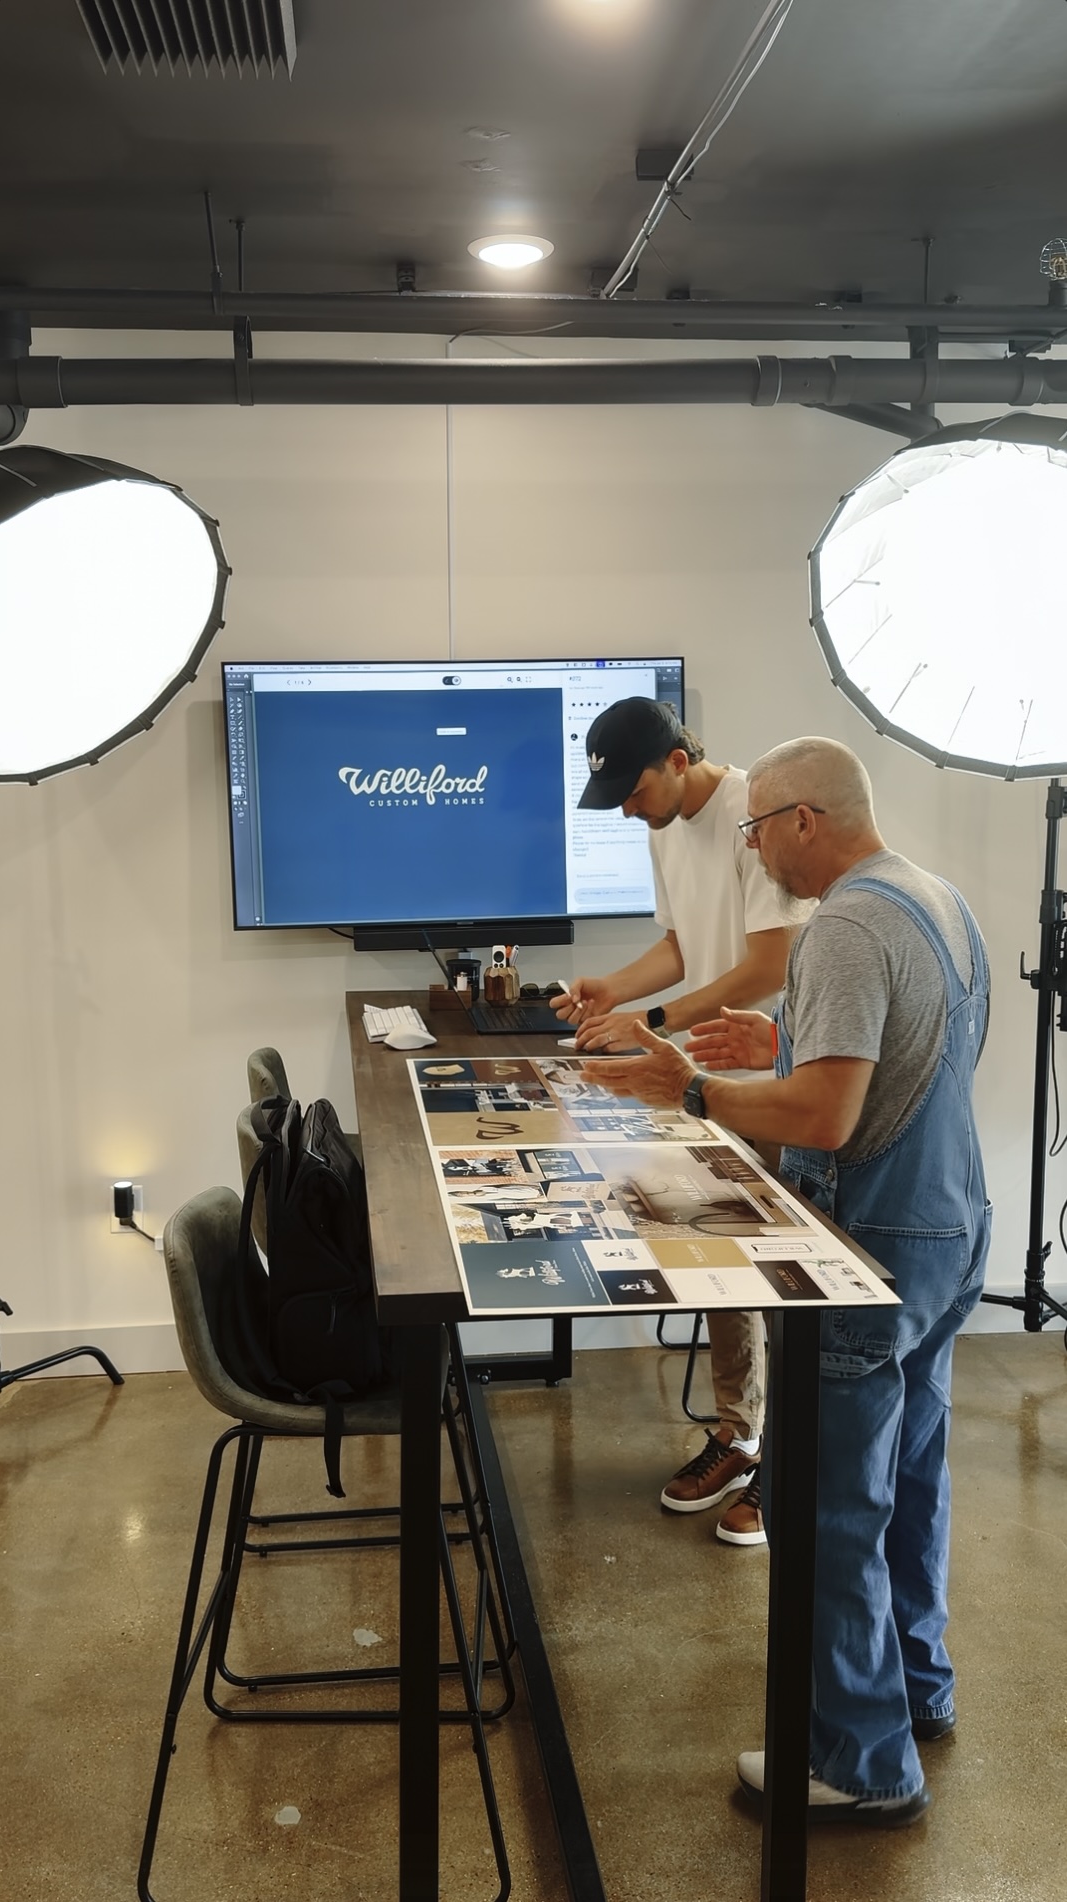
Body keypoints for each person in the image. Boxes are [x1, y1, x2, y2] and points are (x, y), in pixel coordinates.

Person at [579, 735, 991, 1826]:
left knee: (828, 1506)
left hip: (872, 1252)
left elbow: (825, 1117)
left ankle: (862, 1767)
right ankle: (918, 1693)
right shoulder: (935, 897)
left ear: (806, 820)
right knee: (912, 1479)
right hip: (950, 1229)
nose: (754, 851)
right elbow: (910, 1055)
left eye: (761, 830)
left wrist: (697, 1091)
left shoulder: (848, 922)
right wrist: (783, 1035)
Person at [556, 695, 804, 1542]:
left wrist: (656, 1026)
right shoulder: (664, 828)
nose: (626, 809)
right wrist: (614, 992)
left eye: (632, 791)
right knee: (717, 1254)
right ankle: (740, 1434)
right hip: (699, 1072)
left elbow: (767, 966)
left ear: (676, 761)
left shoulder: (752, 815)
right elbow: (681, 946)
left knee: (781, 1268)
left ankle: (789, 1464)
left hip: (765, 1064)